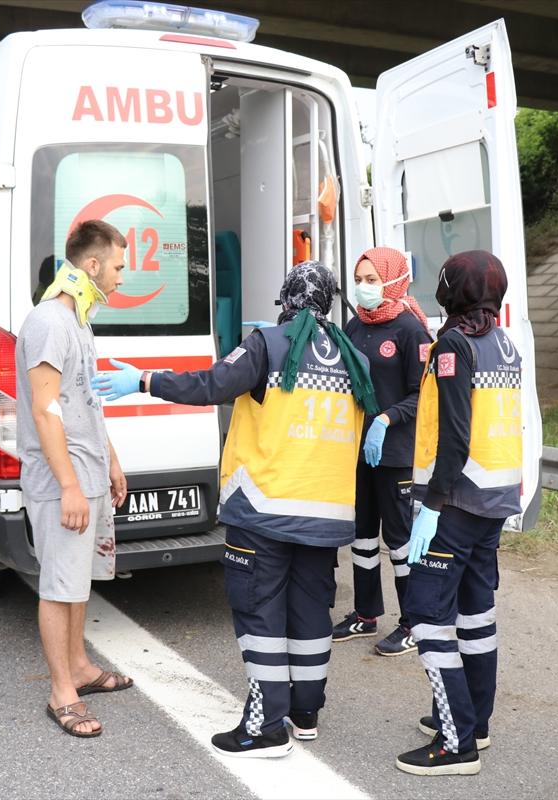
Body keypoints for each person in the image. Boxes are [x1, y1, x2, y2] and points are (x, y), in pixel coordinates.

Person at [93, 261, 377, 758]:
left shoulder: (269, 345)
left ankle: (267, 728)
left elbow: (209, 386)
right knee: (310, 614)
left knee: (261, 613)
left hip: (265, 509)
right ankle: (304, 714)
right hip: (326, 516)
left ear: (287, 297)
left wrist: (143, 381)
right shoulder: (355, 357)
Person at [396, 250, 523, 777]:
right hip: (493, 502)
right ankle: (477, 722)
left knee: (427, 618)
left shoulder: (454, 343)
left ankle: (456, 743)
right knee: (476, 616)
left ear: (455, 288)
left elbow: (454, 434)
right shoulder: (504, 341)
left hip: (455, 502)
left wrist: (430, 506)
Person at [16, 219, 134, 739]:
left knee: (79, 580)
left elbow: (85, 400)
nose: (122, 278)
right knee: (59, 585)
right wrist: (67, 485)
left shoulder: (80, 321)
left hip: (87, 471)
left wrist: (109, 459)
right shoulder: (48, 322)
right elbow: (45, 412)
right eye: (118, 267)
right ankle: (61, 691)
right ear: (92, 265)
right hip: (58, 478)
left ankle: (81, 667)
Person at [333, 247, 432, 657]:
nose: (363, 287)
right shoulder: (356, 327)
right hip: (359, 453)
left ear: (393, 280)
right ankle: (365, 613)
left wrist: (386, 419)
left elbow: (422, 395)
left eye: (372, 280)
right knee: (361, 538)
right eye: (359, 279)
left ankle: (414, 622)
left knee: (401, 542)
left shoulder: (412, 330)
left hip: (395, 454)